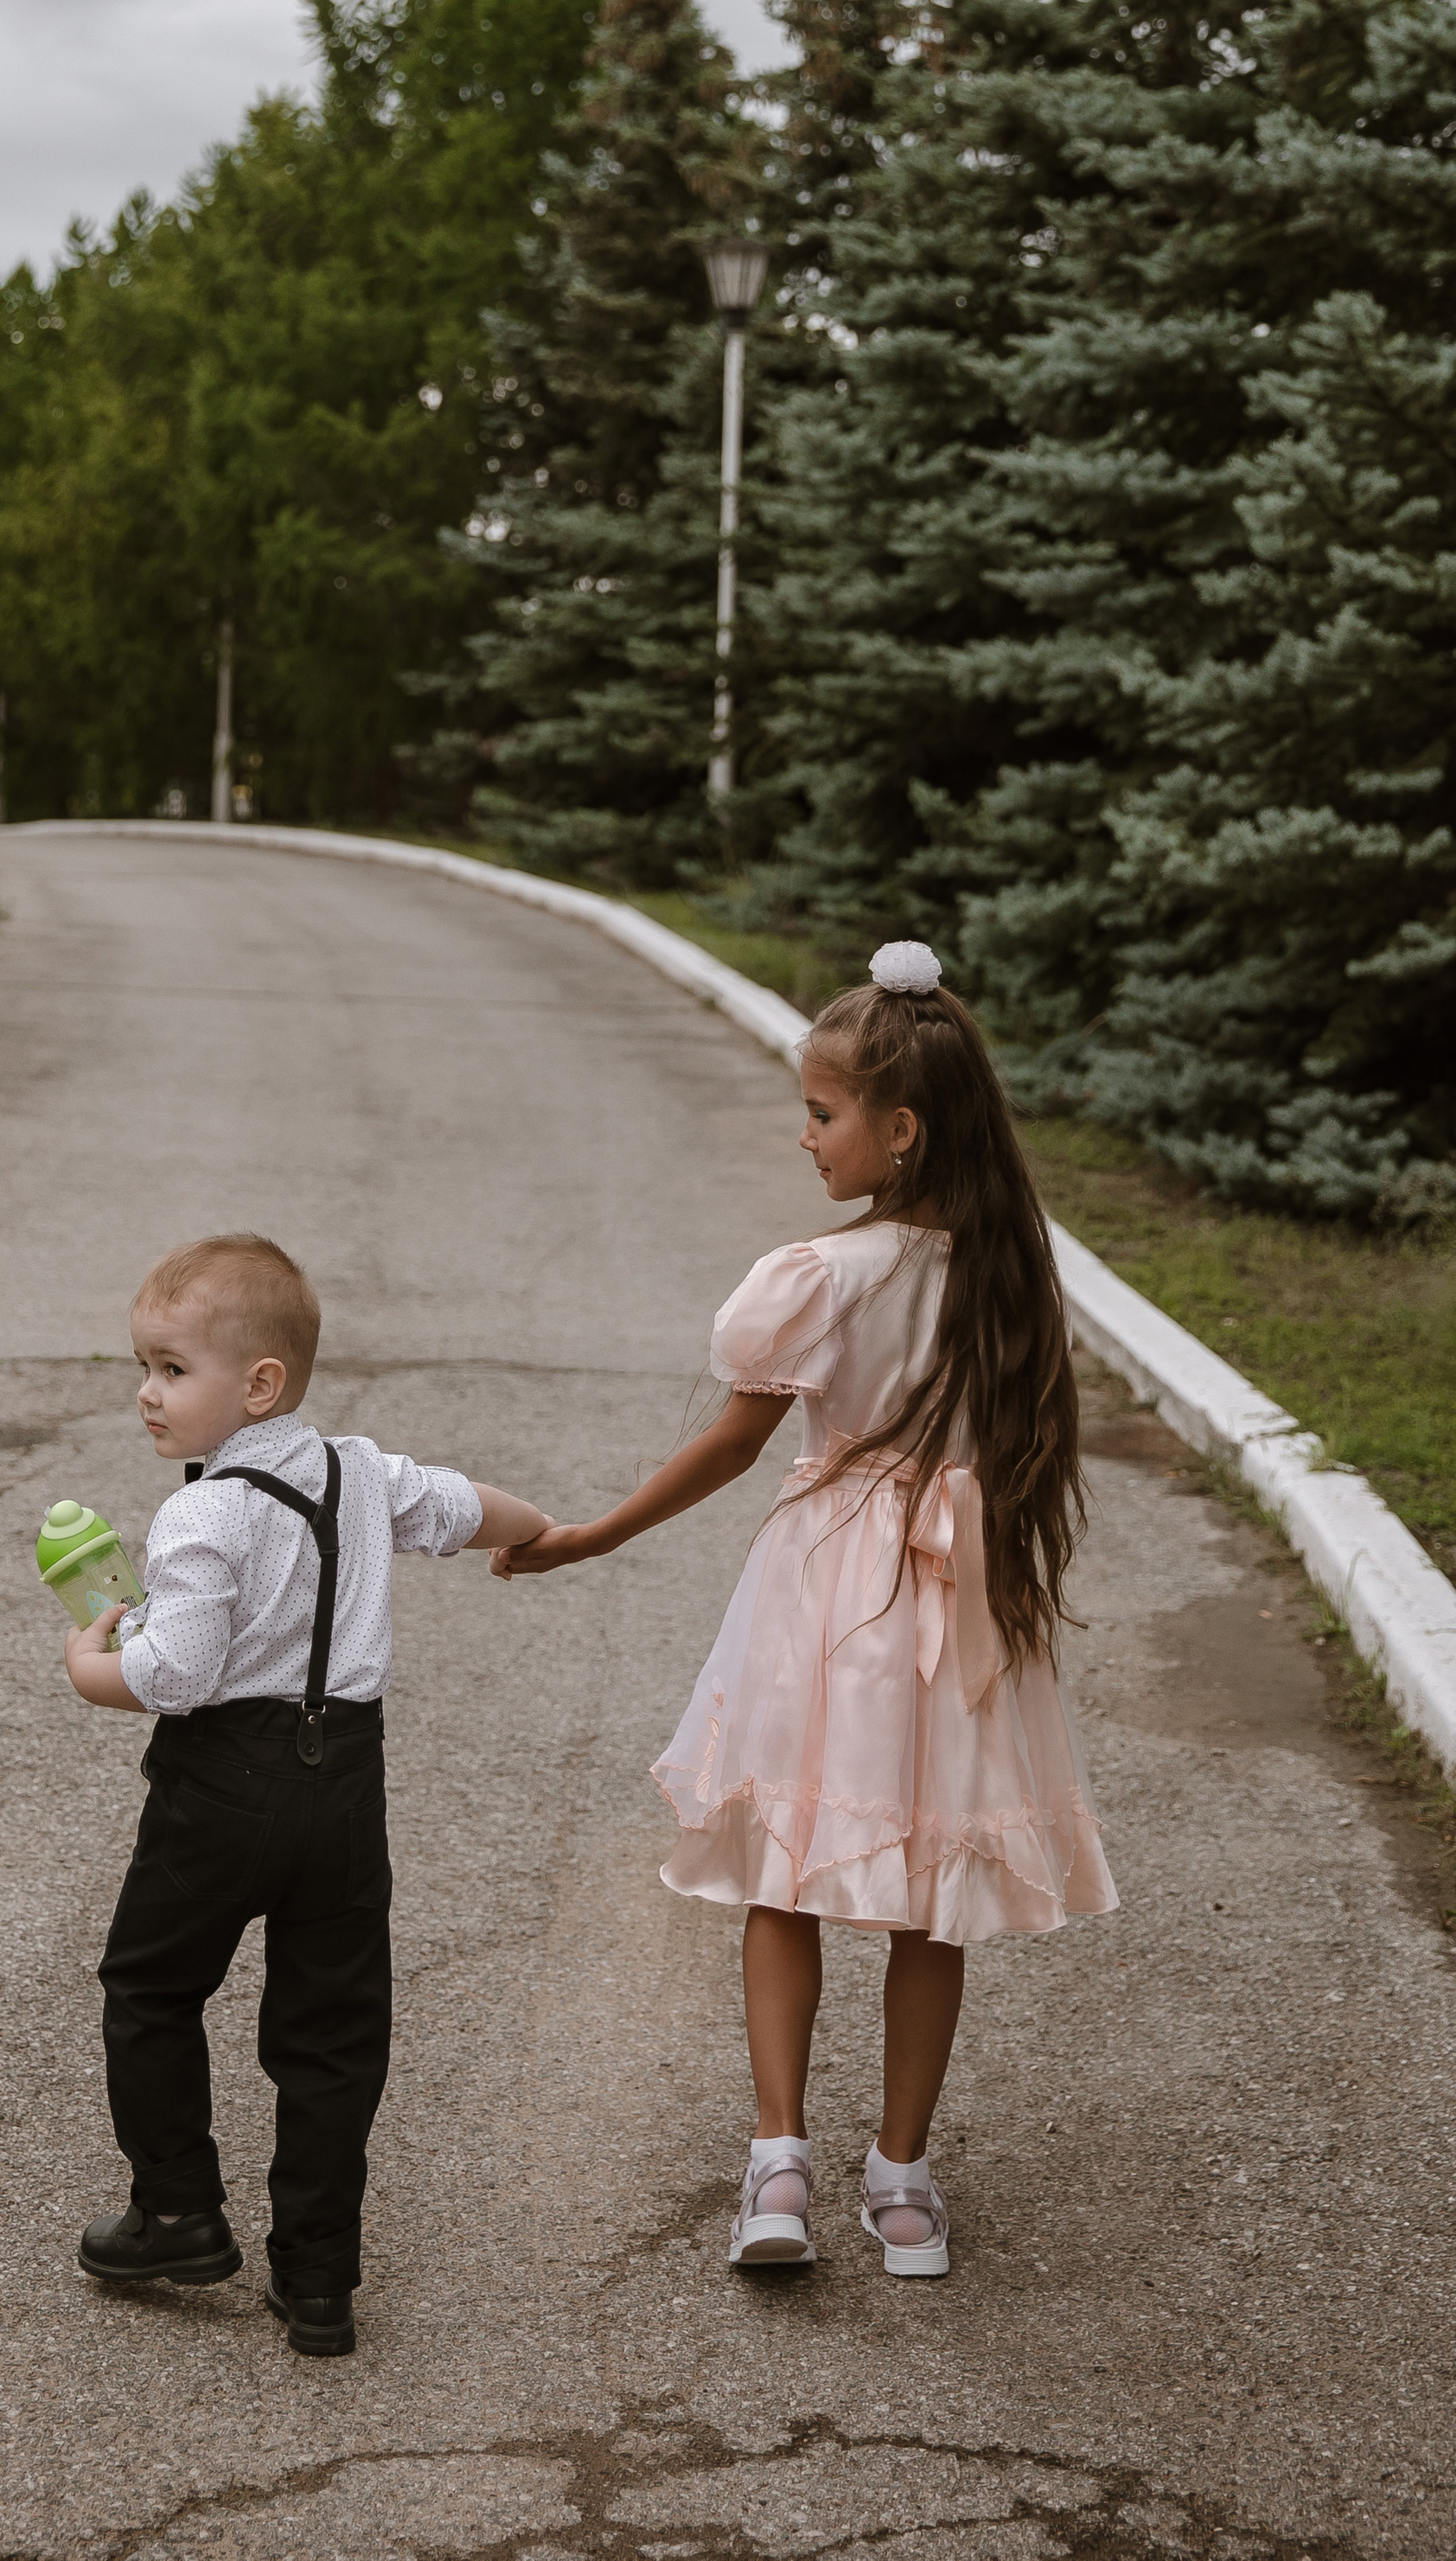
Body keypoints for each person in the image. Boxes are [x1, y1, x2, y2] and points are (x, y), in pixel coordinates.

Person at [495, 941, 1115, 2283]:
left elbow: (732, 1450)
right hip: (960, 1593)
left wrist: (593, 1534)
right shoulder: (1006, 1264)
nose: (805, 1135)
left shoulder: (823, 1279)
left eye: (824, 1114)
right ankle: (902, 2181)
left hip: (832, 1590)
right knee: (927, 1893)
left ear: (898, 1131)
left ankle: (778, 2163)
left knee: (785, 1874)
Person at [65, 1231, 551, 2358]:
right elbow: (463, 1506)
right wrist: (539, 1534)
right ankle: (319, 2276)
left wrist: (89, 1668)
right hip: (346, 1790)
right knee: (331, 2032)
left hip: (221, 1786)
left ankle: (178, 2210)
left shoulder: (201, 1513)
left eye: (171, 1370)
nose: (146, 1393)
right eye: (141, 1367)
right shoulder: (361, 1473)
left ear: (260, 1384)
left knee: (149, 1985)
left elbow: (173, 1674)